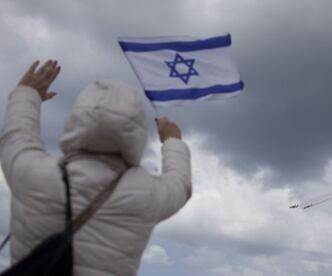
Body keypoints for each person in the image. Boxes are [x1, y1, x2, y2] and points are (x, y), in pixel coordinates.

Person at [0, 60, 192, 275]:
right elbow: (180, 183)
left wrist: (27, 94)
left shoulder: (33, 172)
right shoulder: (145, 194)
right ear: (137, 131)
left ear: (75, 119)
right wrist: (173, 140)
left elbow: (15, 137)